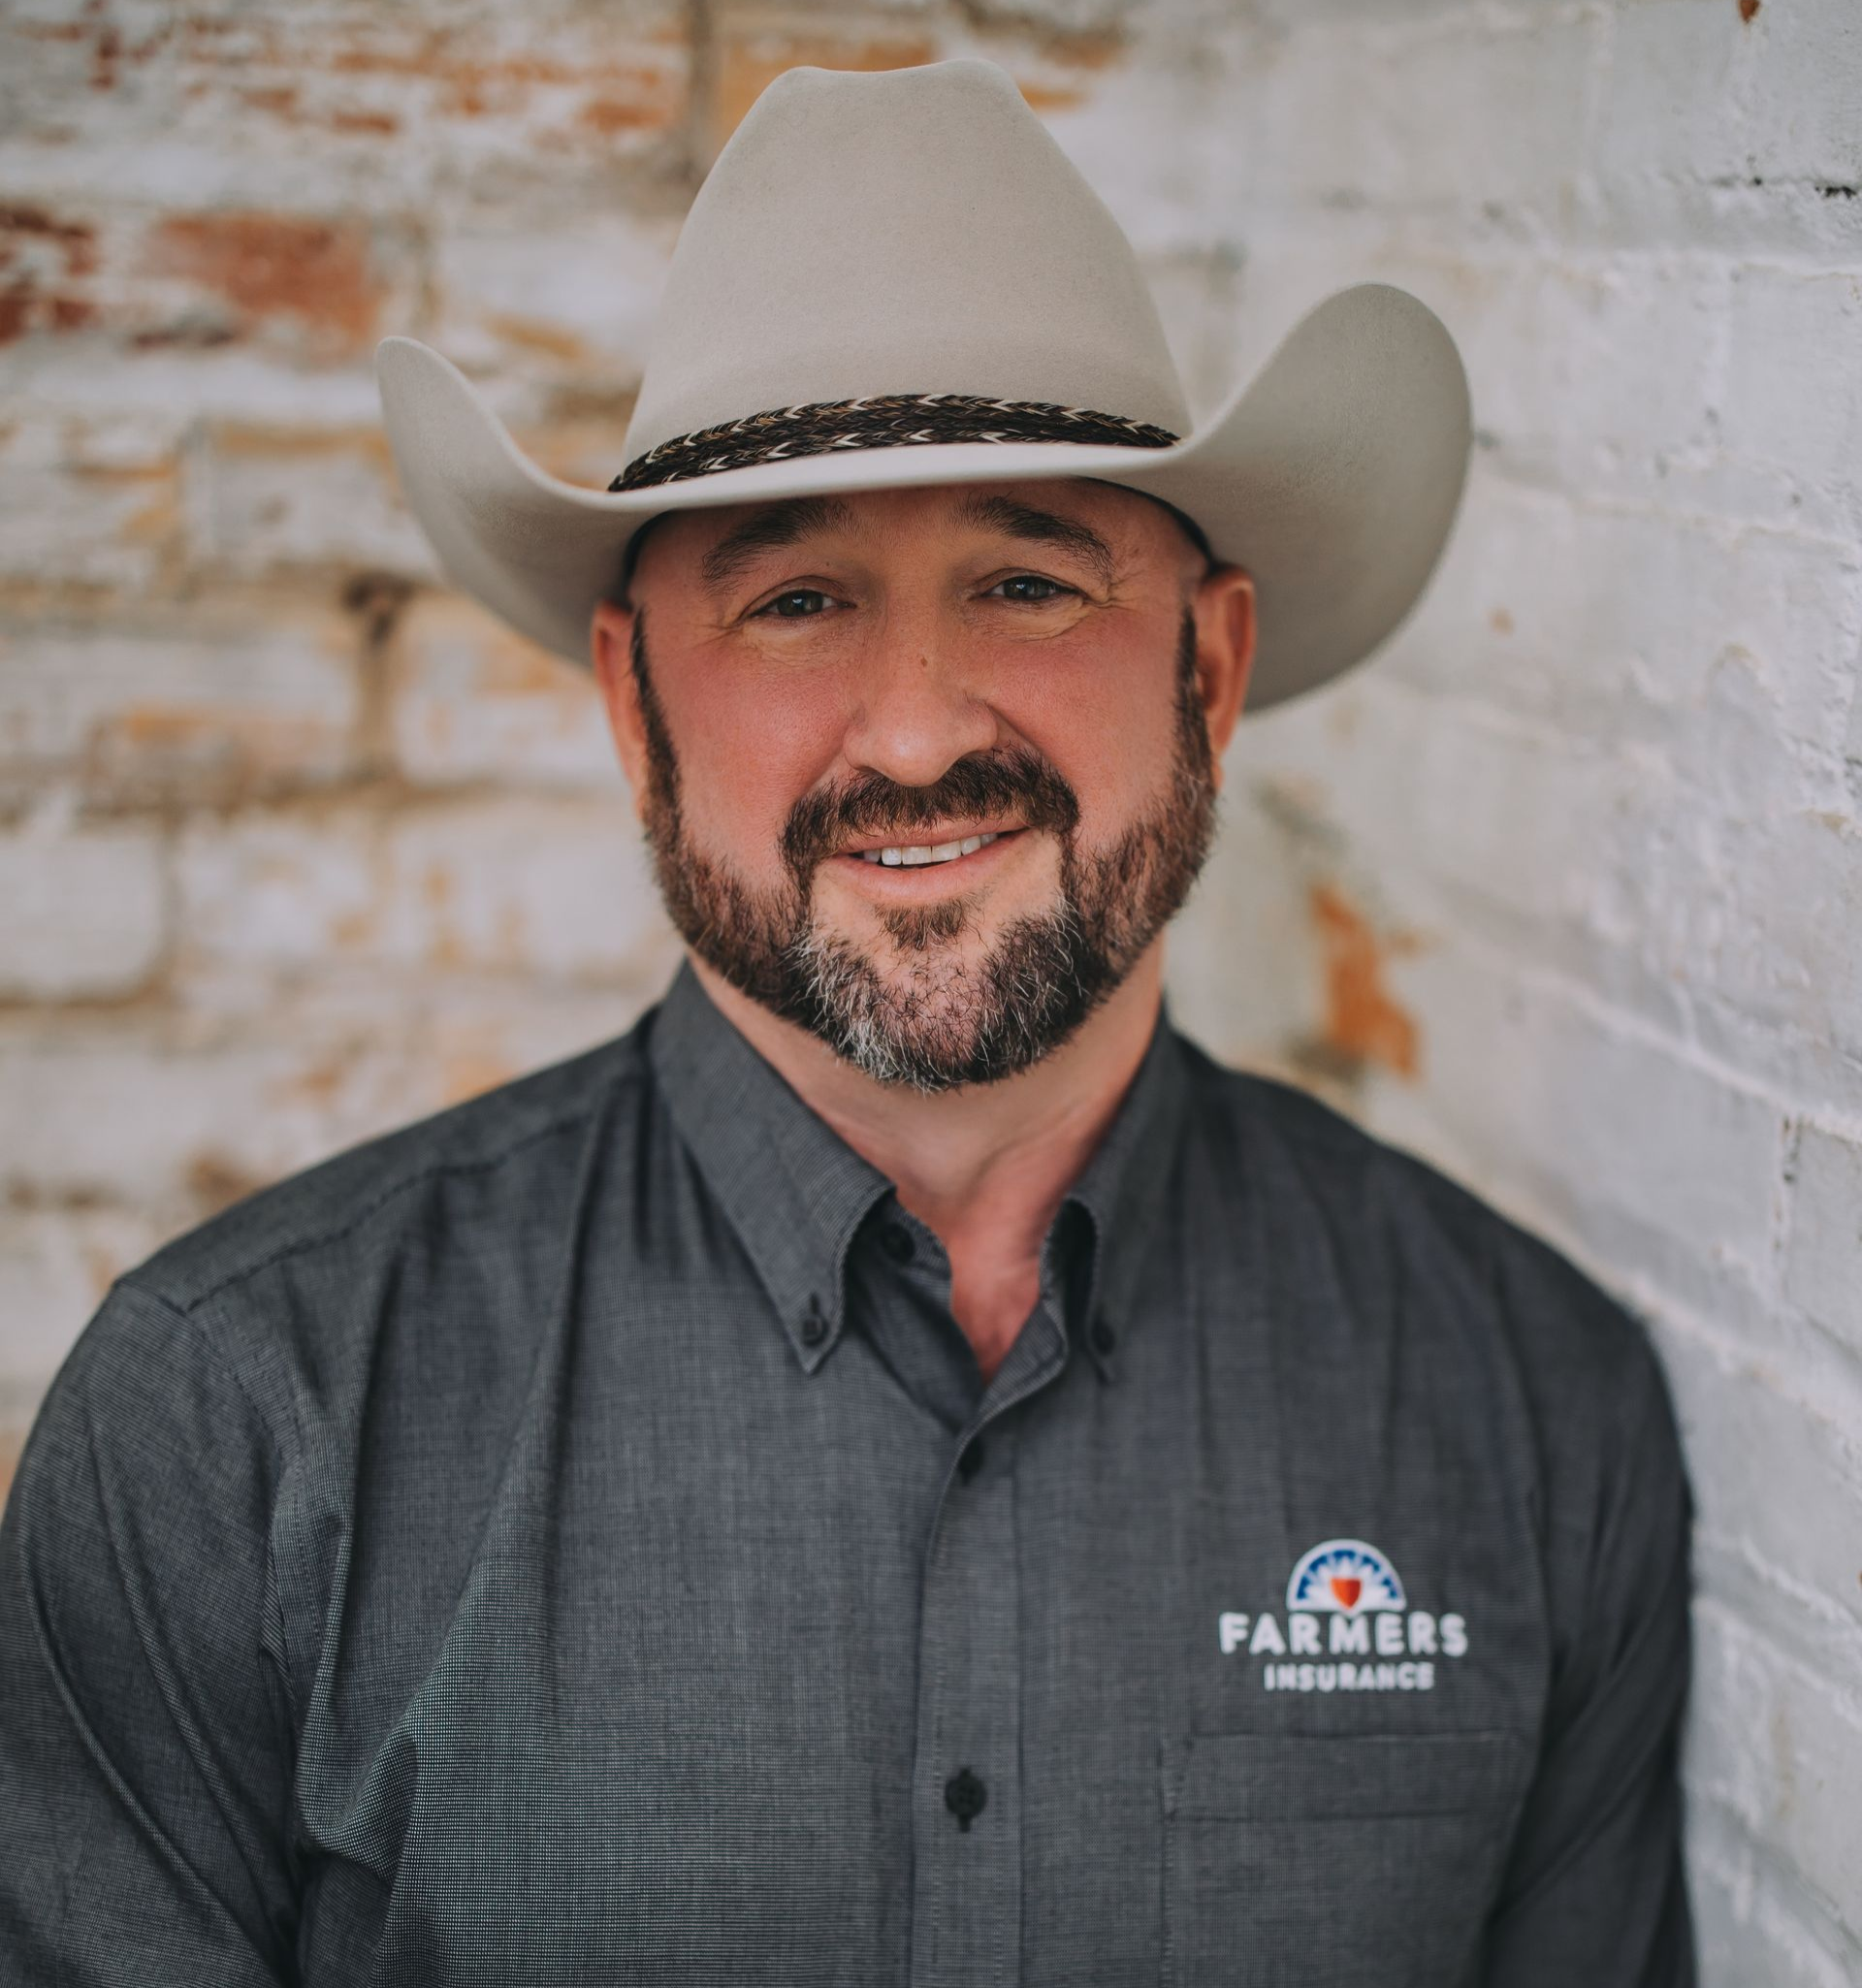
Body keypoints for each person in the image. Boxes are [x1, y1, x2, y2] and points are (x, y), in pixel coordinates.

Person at [0, 58, 1693, 1986]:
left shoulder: (1535, 1412)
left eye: (1027, 579)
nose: (913, 726)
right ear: (634, 703)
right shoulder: (239, 1425)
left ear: (1209, 664)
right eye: (796, 598)